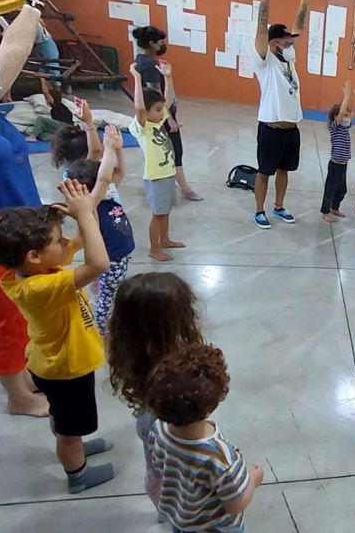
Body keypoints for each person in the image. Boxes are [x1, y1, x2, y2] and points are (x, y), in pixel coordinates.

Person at [0, 180, 116, 494]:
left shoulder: (33, 268)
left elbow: (80, 238)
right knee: (67, 427)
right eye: (57, 240)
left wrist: (86, 210)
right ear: (35, 255)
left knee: (68, 420)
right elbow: (99, 263)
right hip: (65, 370)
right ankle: (76, 473)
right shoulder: (39, 288)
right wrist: (85, 217)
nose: (65, 244)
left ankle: (73, 437)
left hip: (57, 364)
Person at [0, 0, 59, 419]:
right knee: (7, 321)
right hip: (3, 239)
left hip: (19, 225)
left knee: (19, 317)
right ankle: (18, 396)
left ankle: (21, 378)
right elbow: (6, 64)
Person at [107, 272, 205, 517]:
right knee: (177, 475)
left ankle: (165, 510)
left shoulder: (132, 350)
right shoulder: (172, 363)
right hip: (170, 425)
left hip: (147, 421)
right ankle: (178, 517)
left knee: (156, 470)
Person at [146, 344, 263, 532]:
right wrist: (253, 479)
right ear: (211, 405)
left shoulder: (158, 429)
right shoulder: (219, 456)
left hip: (181, 521)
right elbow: (234, 505)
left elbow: (159, 466)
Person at [252, 0, 311, 229]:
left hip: (291, 128)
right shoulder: (265, 60)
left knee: (284, 171)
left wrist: (305, 0)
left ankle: (279, 207)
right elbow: (262, 23)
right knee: (265, 172)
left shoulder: (288, 59)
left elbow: (299, 25)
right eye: (286, 40)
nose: (291, 43)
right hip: (271, 128)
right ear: (273, 42)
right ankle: (260, 210)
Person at [65, 127, 133, 335]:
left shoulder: (107, 193)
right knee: (107, 299)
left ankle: (98, 293)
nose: (109, 180)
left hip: (120, 254)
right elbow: (103, 179)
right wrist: (109, 149)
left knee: (104, 290)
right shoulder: (90, 203)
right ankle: (101, 330)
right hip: (112, 258)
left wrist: (119, 150)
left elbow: (119, 172)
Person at [132, 26, 202, 202]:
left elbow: (162, 101)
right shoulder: (148, 65)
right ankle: (184, 189)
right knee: (174, 151)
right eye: (161, 42)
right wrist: (169, 118)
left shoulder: (146, 61)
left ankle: (173, 186)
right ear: (151, 43)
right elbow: (157, 98)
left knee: (168, 152)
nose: (164, 44)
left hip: (162, 114)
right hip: (161, 118)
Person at [130, 61, 185, 262]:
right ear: (145, 111)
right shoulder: (142, 126)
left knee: (166, 211)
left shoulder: (158, 120)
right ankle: (154, 247)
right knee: (158, 214)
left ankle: (165, 239)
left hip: (168, 174)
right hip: (156, 177)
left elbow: (168, 101)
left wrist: (168, 77)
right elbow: (138, 106)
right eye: (158, 109)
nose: (163, 113)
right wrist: (136, 78)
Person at [321, 81, 355, 223]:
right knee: (330, 189)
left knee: (342, 189)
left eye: (347, 115)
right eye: (344, 115)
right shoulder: (335, 127)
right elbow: (343, 111)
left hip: (344, 163)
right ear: (336, 117)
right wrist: (347, 95)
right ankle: (325, 211)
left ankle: (334, 207)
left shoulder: (345, 126)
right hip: (335, 164)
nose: (346, 117)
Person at [49, 101, 102, 174]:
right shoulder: (84, 173)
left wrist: (86, 120)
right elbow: (96, 150)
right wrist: (88, 121)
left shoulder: (70, 170)